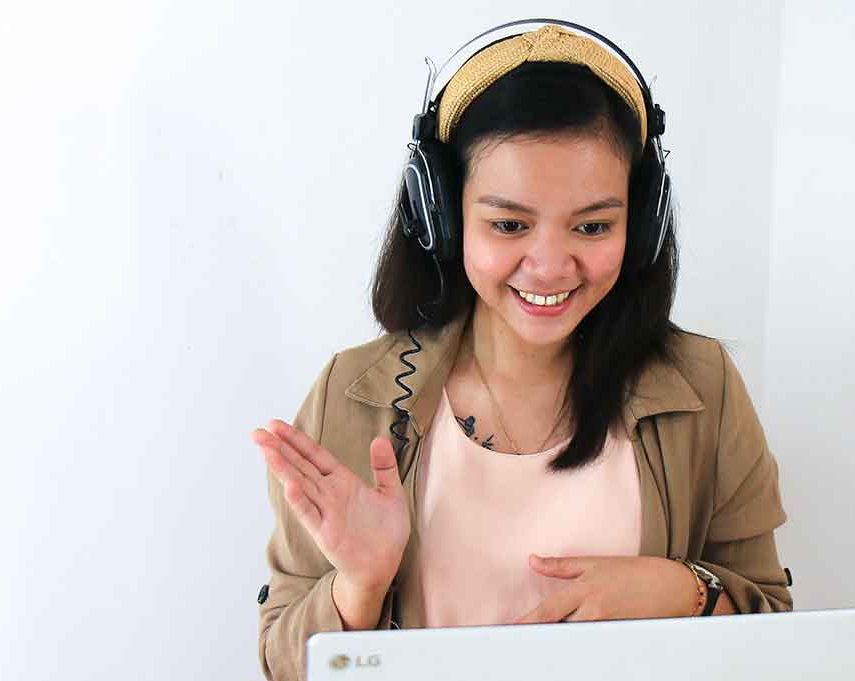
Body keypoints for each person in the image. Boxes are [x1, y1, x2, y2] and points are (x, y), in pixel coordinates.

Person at [250, 21, 792, 681]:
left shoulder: (705, 388)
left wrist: (678, 589)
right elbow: (283, 666)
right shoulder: (354, 394)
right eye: (509, 224)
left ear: (641, 222)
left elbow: (775, 626)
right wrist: (359, 585)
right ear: (443, 215)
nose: (549, 265)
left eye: (593, 225)